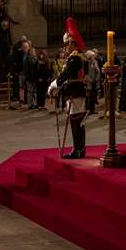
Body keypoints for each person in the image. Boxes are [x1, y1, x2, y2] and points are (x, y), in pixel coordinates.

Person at [49, 17, 88, 159]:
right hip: (76, 92)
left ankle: (78, 150)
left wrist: (53, 85)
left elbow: (65, 75)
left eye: (67, 44)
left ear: (73, 43)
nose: (65, 47)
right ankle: (79, 149)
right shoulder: (78, 57)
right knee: (77, 123)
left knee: (76, 123)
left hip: (75, 93)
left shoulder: (74, 58)